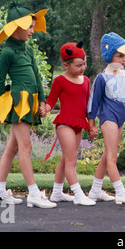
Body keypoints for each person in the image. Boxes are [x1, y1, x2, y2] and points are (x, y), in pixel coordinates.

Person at [0, 5, 56, 209]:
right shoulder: (8, 52)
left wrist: (44, 101)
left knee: (13, 147)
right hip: (18, 104)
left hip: (31, 101)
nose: (31, 30)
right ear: (15, 26)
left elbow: (37, 76)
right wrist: (5, 104)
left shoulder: (28, 50)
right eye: (28, 26)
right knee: (25, 147)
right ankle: (34, 194)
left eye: (33, 27)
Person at [87, 32, 125, 205]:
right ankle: (120, 192)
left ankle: (95, 191)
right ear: (110, 55)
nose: (124, 59)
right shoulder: (102, 78)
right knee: (112, 156)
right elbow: (93, 103)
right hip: (108, 118)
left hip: (120, 119)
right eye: (119, 55)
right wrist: (91, 124)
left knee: (107, 155)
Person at [43, 41, 96, 206]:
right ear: (66, 65)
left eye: (84, 64)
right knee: (71, 160)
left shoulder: (86, 80)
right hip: (65, 123)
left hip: (79, 124)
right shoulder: (60, 80)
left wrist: (91, 125)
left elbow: (88, 105)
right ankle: (78, 194)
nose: (82, 68)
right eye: (78, 65)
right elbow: (51, 100)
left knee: (66, 159)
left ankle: (57, 193)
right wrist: (45, 108)